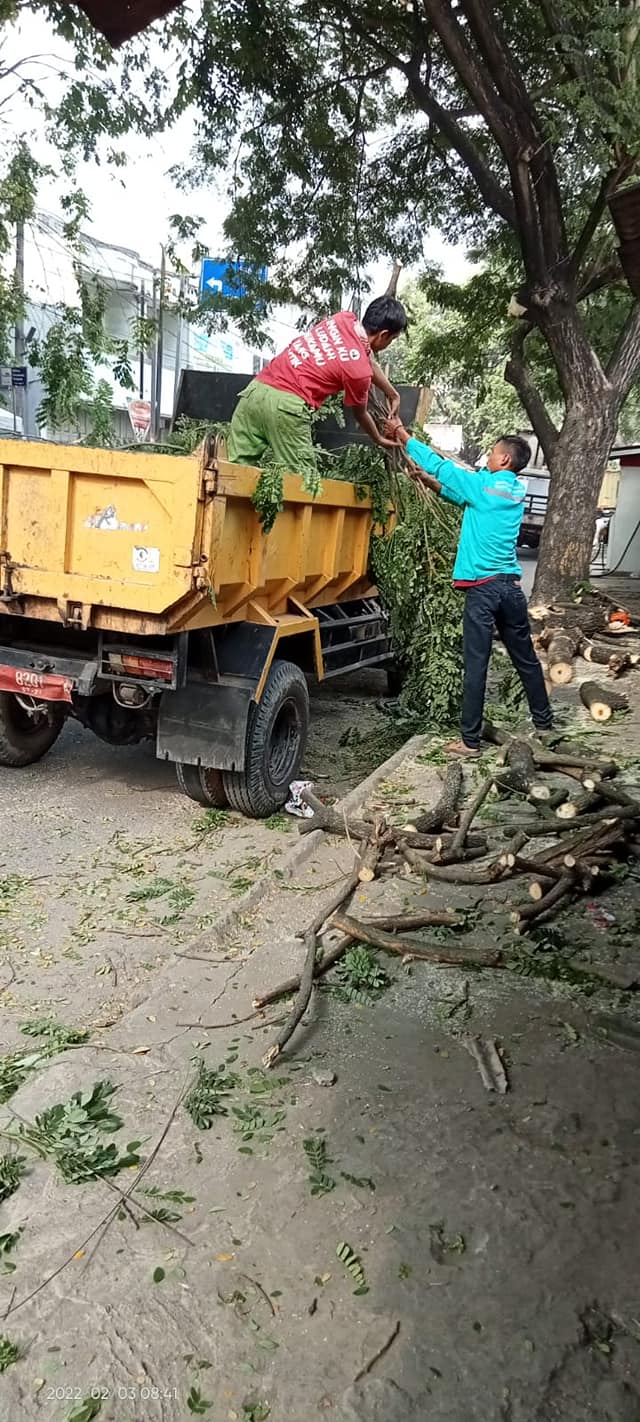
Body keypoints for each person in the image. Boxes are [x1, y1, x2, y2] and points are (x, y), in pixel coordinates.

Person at [384, 418, 553, 756]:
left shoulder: (482, 487)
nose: (488, 457)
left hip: (484, 590)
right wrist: (429, 482)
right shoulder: (510, 491)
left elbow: (443, 468)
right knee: (526, 659)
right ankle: (545, 724)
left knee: (476, 665)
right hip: (510, 589)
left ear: (504, 460)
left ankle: (470, 741)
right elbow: (459, 494)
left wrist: (403, 436)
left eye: (492, 453)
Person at [226, 296, 408, 474]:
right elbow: (360, 413)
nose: (388, 344)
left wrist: (393, 394)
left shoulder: (343, 318)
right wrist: (378, 438)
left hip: (254, 393)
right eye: (391, 340)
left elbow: (364, 356)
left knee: (233, 476)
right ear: (384, 335)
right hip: (286, 408)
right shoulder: (359, 373)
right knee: (303, 487)